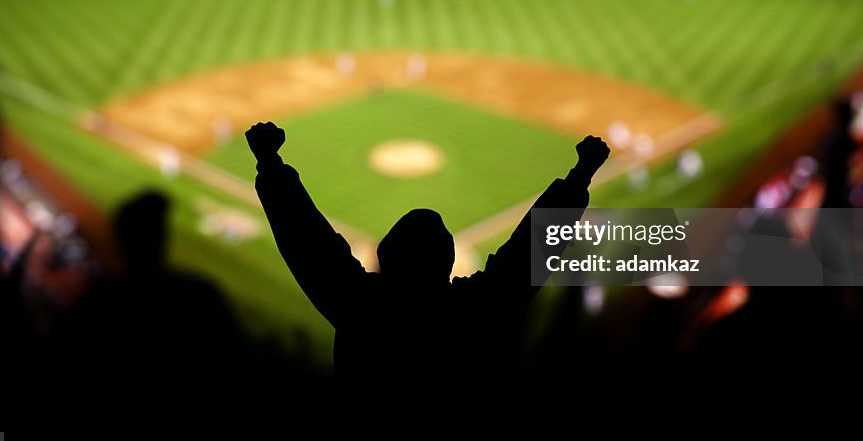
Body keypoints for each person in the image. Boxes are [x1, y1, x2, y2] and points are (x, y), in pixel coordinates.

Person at [246, 121, 609, 382]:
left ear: (384, 259)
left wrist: (270, 162)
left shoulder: (360, 308)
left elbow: (307, 242)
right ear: (447, 263)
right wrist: (579, 177)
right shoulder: (469, 314)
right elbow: (523, 259)